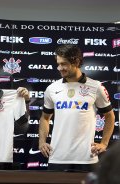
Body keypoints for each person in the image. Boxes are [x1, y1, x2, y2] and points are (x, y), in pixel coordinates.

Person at [38, 44, 115, 172]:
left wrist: (104, 143)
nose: (60, 68)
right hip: (57, 157)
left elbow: (110, 116)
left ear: (76, 61)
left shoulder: (96, 87)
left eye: (64, 64)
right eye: (58, 64)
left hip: (87, 158)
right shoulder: (52, 89)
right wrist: (42, 142)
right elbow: (45, 118)